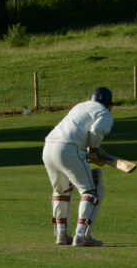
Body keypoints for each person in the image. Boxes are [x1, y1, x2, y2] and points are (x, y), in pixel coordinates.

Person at [42, 87, 114, 247]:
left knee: (61, 191)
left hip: (48, 146)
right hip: (69, 148)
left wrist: (89, 147)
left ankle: (61, 235)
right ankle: (81, 236)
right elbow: (96, 130)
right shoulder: (105, 113)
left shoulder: (80, 106)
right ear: (108, 104)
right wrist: (94, 148)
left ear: (91, 98)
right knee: (90, 191)